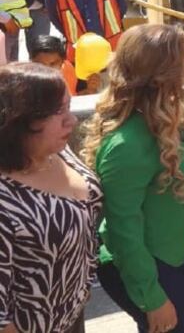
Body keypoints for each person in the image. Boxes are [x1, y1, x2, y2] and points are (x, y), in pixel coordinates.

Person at [83, 25, 184, 333]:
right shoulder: (127, 145)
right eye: (183, 62)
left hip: (164, 260)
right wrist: (151, 298)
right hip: (143, 266)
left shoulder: (161, 117)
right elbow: (123, 230)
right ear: (165, 73)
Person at [0, 62, 102, 333]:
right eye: (58, 112)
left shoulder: (56, 149)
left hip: (71, 313)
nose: (72, 121)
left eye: (69, 107)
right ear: (20, 120)